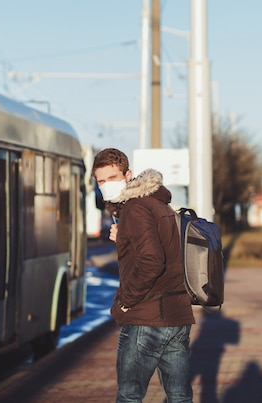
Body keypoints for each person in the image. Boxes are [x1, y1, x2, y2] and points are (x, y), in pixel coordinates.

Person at [92, 148, 195, 403]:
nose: (107, 185)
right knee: (180, 397)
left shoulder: (135, 209)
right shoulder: (158, 203)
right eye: (101, 181)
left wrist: (124, 302)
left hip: (146, 318)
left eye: (112, 177)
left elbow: (151, 260)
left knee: (129, 396)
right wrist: (124, 240)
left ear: (128, 175)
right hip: (176, 316)